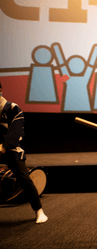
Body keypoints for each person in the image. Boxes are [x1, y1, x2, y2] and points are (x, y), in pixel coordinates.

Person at [0, 83, 48, 223]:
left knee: (25, 179)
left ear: (1, 90)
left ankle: (39, 211)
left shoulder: (12, 108)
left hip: (10, 149)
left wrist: (4, 146)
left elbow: (16, 130)